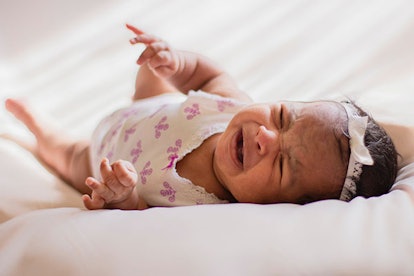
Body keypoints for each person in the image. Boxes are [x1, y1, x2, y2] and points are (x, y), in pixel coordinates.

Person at [5, 24, 398, 210]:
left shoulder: (204, 209)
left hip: (101, 158)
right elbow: (208, 76)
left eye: (283, 164)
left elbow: (138, 218)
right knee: (152, 74)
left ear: (279, 206)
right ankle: (152, 71)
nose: (266, 136)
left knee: (65, 154)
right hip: (150, 105)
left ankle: (40, 126)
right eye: (281, 116)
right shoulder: (230, 105)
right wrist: (175, 63)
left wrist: (122, 195)